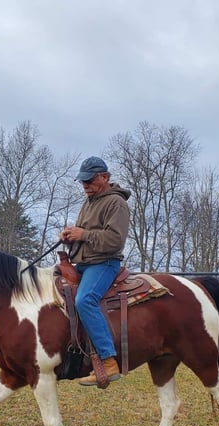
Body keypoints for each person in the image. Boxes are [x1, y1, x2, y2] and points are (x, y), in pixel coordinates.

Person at [60, 156, 131, 387]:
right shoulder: (89, 201)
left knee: (85, 300)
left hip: (104, 263)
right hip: (83, 262)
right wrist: (71, 237)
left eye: (89, 181)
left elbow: (114, 241)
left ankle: (108, 362)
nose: (85, 186)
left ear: (105, 177)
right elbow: (86, 234)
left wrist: (83, 235)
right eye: (82, 182)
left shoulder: (116, 203)